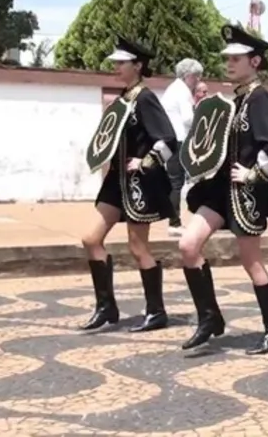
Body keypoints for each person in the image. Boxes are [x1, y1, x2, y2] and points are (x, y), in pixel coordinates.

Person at [176, 24, 268, 353]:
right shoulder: (232, 101)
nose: (228, 63)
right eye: (227, 58)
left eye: (236, 59)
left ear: (254, 62)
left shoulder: (258, 97)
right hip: (216, 191)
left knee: (250, 261)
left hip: (244, 194)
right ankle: (210, 317)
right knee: (188, 245)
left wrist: (254, 175)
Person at [80, 36, 178, 332]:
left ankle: (156, 311)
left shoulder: (146, 98)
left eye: (122, 63)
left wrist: (145, 161)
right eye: (115, 63)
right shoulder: (122, 101)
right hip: (115, 183)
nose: (116, 67)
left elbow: (168, 140)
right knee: (91, 238)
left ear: (138, 66)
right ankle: (106, 308)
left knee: (138, 249)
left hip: (140, 185)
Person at [160, 59, 202, 236]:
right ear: (189, 76)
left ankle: (175, 220)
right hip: (178, 140)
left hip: (169, 140)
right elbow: (187, 119)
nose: (198, 81)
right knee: (177, 183)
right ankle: (175, 223)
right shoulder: (183, 91)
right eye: (197, 77)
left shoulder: (172, 89)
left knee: (175, 182)